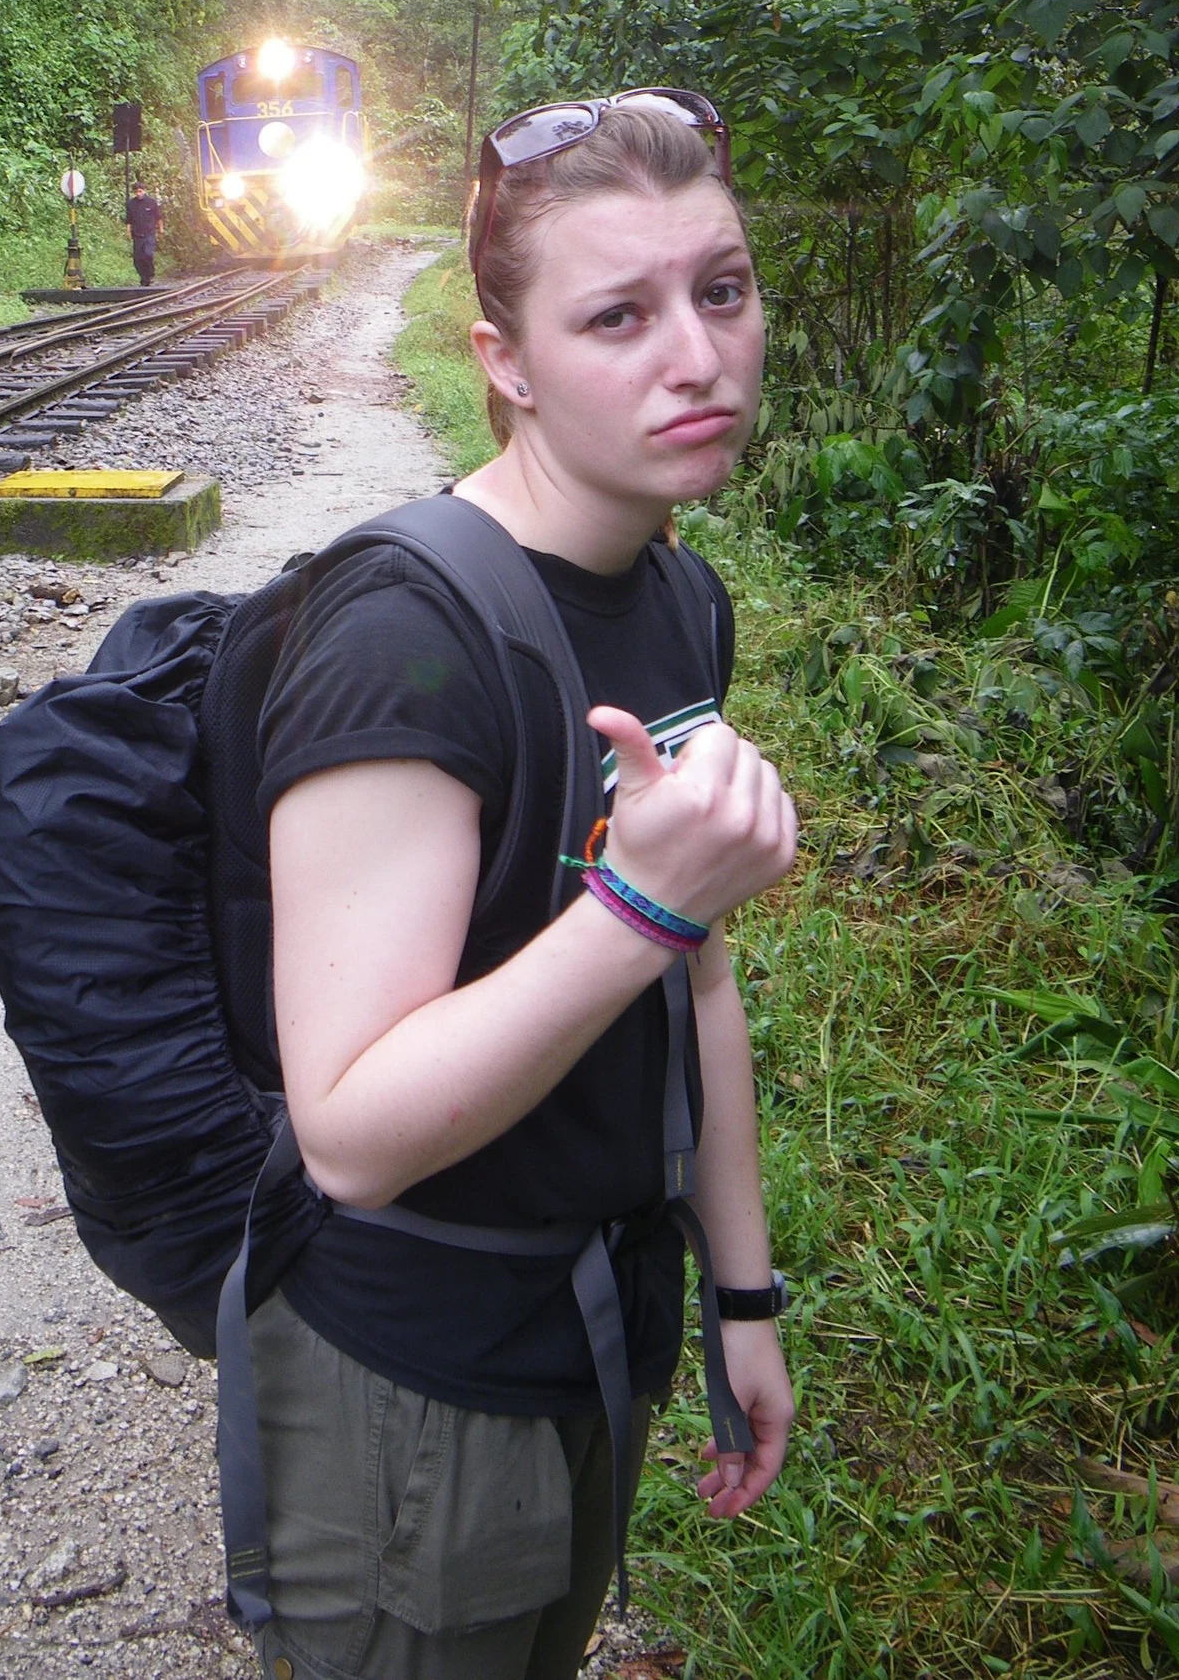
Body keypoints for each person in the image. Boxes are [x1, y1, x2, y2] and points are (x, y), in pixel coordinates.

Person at [249, 92, 797, 1680]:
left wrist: (739, 1293)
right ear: (503, 363)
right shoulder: (399, 639)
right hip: (417, 1382)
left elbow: (694, 976)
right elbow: (347, 1129)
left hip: (598, 1328)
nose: (694, 357)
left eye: (722, 289)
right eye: (614, 316)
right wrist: (635, 904)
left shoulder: (674, 596)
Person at [125, 178, 162, 285]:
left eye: (140, 191)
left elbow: (158, 217)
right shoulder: (131, 204)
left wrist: (161, 229)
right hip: (137, 234)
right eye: (136, 192)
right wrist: (128, 231)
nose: (138, 194)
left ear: (144, 191)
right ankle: (144, 278)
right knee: (137, 259)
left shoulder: (151, 202)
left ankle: (150, 274)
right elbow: (129, 219)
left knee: (148, 254)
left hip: (149, 234)